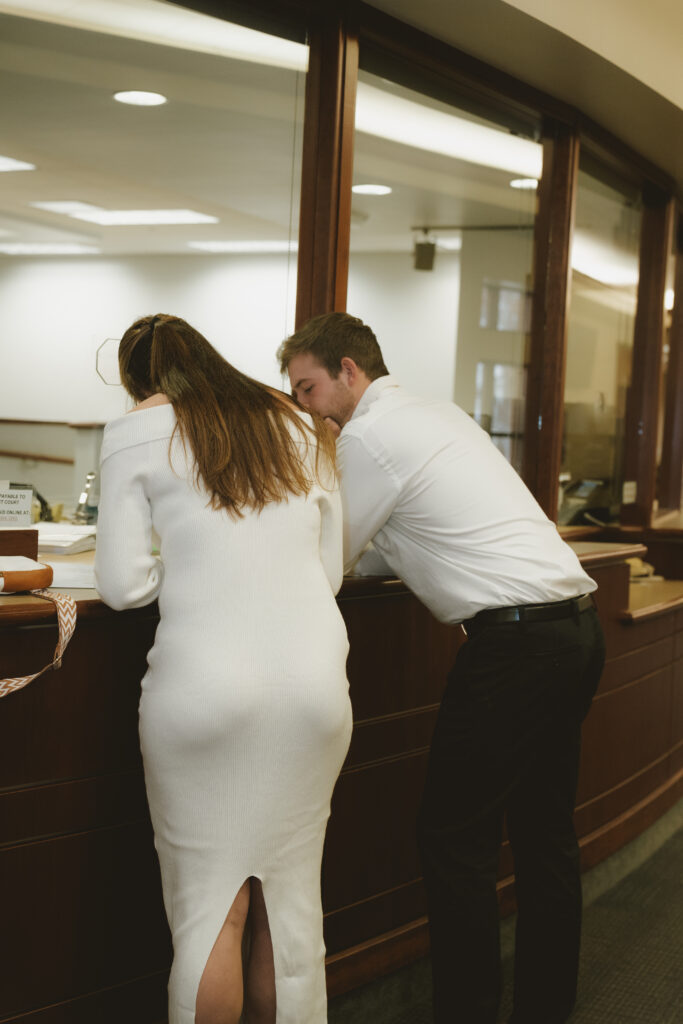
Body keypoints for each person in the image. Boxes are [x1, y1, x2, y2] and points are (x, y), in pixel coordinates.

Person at [278, 312, 606, 1024]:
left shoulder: (367, 436)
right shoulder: (432, 413)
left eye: (307, 389)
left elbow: (324, 563)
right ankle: (546, 1008)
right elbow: (397, 537)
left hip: (515, 648)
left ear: (349, 372)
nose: (304, 408)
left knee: (453, 838)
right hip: (573, 629)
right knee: (543, 833)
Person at [95, 314, 352, 1024]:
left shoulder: (135, 430)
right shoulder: (298, 425)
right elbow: (326, 572)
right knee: (290, 908)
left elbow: (118, 586)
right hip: (313, 690)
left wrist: (178, 566)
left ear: (138, 380)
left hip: (204, 691)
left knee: (213, 910)